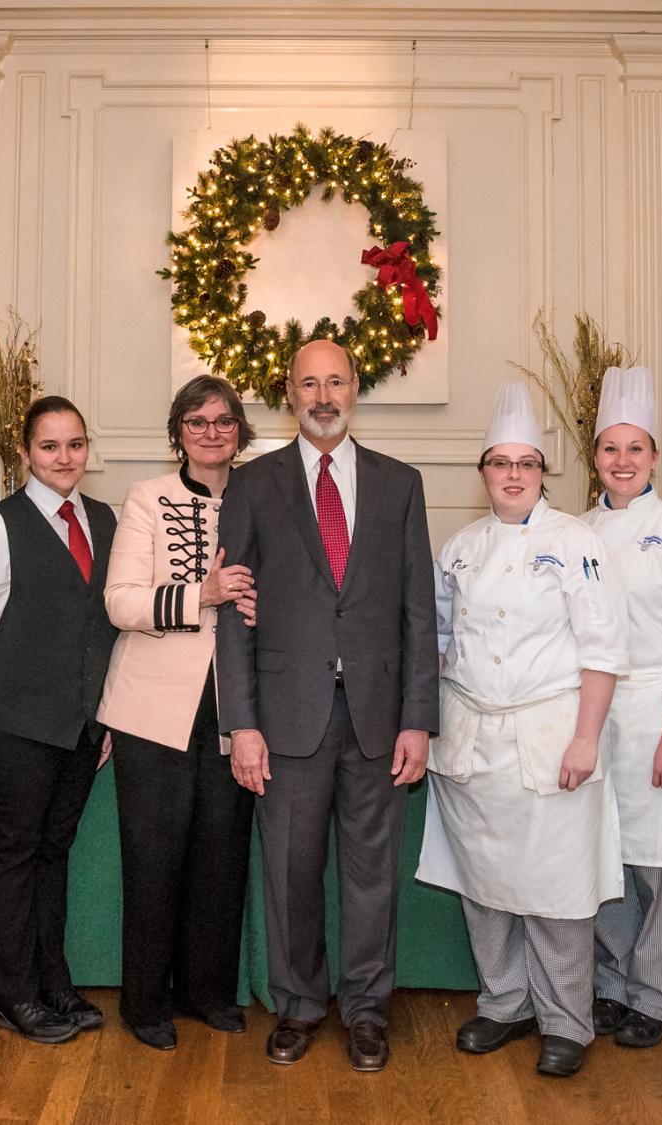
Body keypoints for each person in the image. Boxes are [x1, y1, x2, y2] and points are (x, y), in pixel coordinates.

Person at [216, 339, 439, 1073]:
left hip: (378, 718)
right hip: (284, 717)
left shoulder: (400, 484)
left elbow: (418, 612)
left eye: (335, 381)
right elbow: (232, 611)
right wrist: (240, 723)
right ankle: (300, 1003)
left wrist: (418, 718)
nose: (322, 395)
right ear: (289, 393)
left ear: (353, 390)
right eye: (308, 382)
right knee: (290, 869)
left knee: (373, 875)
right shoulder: (252, 484)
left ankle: (368, 1009)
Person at [416, 381, 628, 1078]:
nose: (513, 475)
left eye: (526, 463)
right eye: (500, 463)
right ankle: (503, 1002)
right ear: (483, 472)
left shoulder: (577, 541)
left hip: (550, 732)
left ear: (543, 473)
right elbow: (440, 639)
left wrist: (586, 737)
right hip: (471, 734)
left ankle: (567, 1018)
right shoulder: (462, 545)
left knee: (558, 889)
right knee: (485, 880)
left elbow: (603, 649)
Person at [0, 396, 118, 1045]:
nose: (64, 457)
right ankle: (13, 992)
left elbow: (106, 627)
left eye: (74, 444)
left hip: (81, 727)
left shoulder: (103, 517)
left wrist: (106, 719)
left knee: (54, 853)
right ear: (24, 453)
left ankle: (52, 980)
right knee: (14, 854)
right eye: (49, 446)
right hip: (14, 721)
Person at [97, 375, 259, 1051]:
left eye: (224, 420)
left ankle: (209, 991)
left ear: (240, 431)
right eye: (198, 421)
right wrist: (206, 593)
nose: (212, 431)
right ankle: (145, 1002)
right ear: (179, 431)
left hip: (238, 706)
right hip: (152, 708)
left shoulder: (265, 498)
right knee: (154, 858)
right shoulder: (147, 498)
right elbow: (121, 602)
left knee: (221, 858)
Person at [580, 367, 662, 1048]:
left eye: (636, 448)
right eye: (611, 448)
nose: (623, 461)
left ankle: (659, 999)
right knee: (607, 860)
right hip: (596, 718)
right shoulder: (576, 530)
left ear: (656, 457)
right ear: (594, 456)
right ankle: (611, 986)